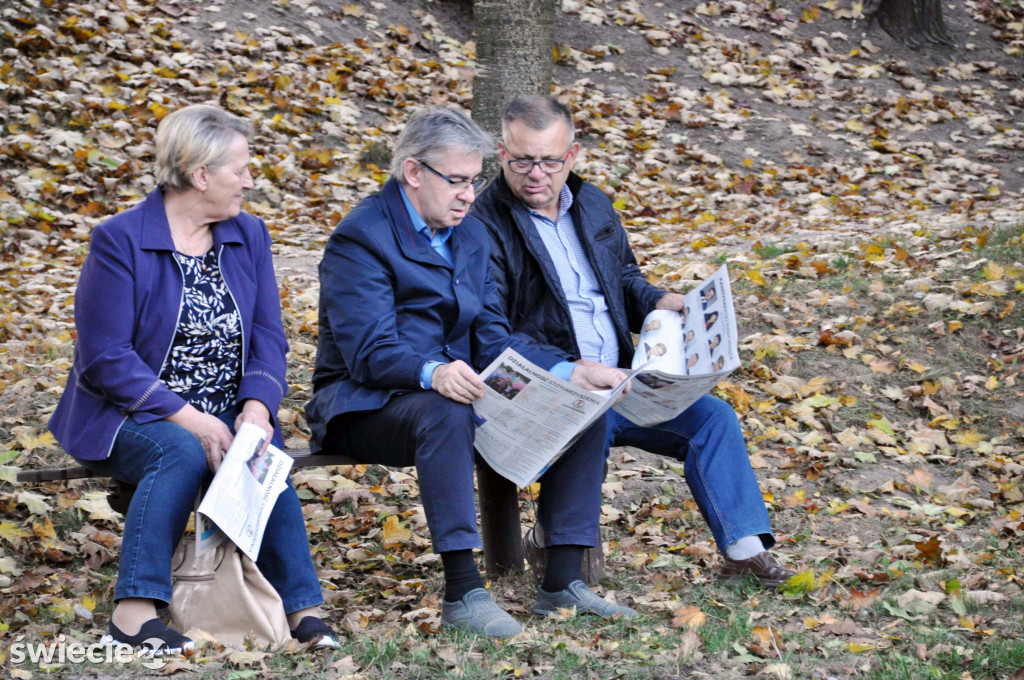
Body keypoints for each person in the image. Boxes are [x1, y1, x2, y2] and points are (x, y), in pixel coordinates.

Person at [304, 108, 636, 638]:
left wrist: (567, 370)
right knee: (446, 412)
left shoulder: (467, 234)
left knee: (579, 402)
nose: (468, 194)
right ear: (414, 173)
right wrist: (432, 371)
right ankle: (463, 590)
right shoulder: (361, 238)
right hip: (363, 401)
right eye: (456, 181)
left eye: (474, 180)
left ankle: (562, 582)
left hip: (461, 386)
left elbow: (491, 335)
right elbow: (367, 349)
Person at [48, 105, 339, 654]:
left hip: (224, 406)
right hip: (129, 412)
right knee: (179, 451)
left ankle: (302, 610)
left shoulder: (247, 234)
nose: (250, 181)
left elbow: (267, 334)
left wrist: (256, 406)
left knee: (259, 450)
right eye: (241, 169)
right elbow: (104, 357)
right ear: (200, 174)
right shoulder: (120, 240)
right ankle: (132, 617)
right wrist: (191, 418)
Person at [473, 95, 796, 588]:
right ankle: (558, 551)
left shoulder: (593, 203)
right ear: (501, 154)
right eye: (522, 161)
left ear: (572, 155)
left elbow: (622, 275)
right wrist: (574, 369)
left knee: (713, 419)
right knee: (592, 425)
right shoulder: (482, 223)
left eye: (550, 161)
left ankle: (742, 549)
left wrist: (657, 300)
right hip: (552, 386)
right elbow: (489, 330)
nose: (535, 174)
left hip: (625, 378)